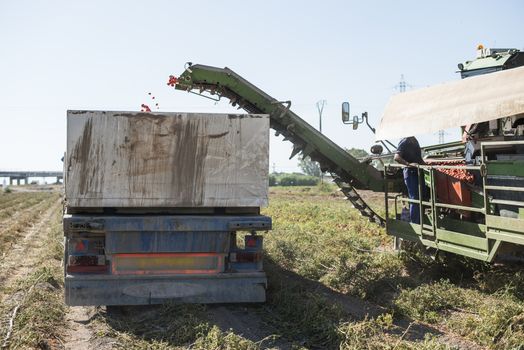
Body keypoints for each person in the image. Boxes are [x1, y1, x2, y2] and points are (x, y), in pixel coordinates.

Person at [394, 136, 424, 224]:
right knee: (414, 198)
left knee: (420, 198)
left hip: (418, 172)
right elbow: (396, 157)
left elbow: (419, 159)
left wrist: (426, 165)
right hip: (410, 173)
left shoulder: (415, 140)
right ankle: (415, 223)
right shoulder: (404, 141)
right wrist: (408, 164)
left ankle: (419, 221)